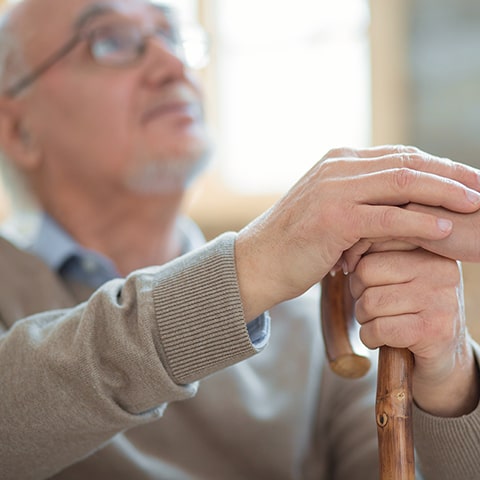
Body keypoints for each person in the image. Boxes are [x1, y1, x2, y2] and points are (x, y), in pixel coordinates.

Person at [0, 0, 479, 479]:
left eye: (173, 37)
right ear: (18, 129)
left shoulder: (315, 331)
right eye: (110, 41)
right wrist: (250, 268)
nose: (172, 65)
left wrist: (450, 382)